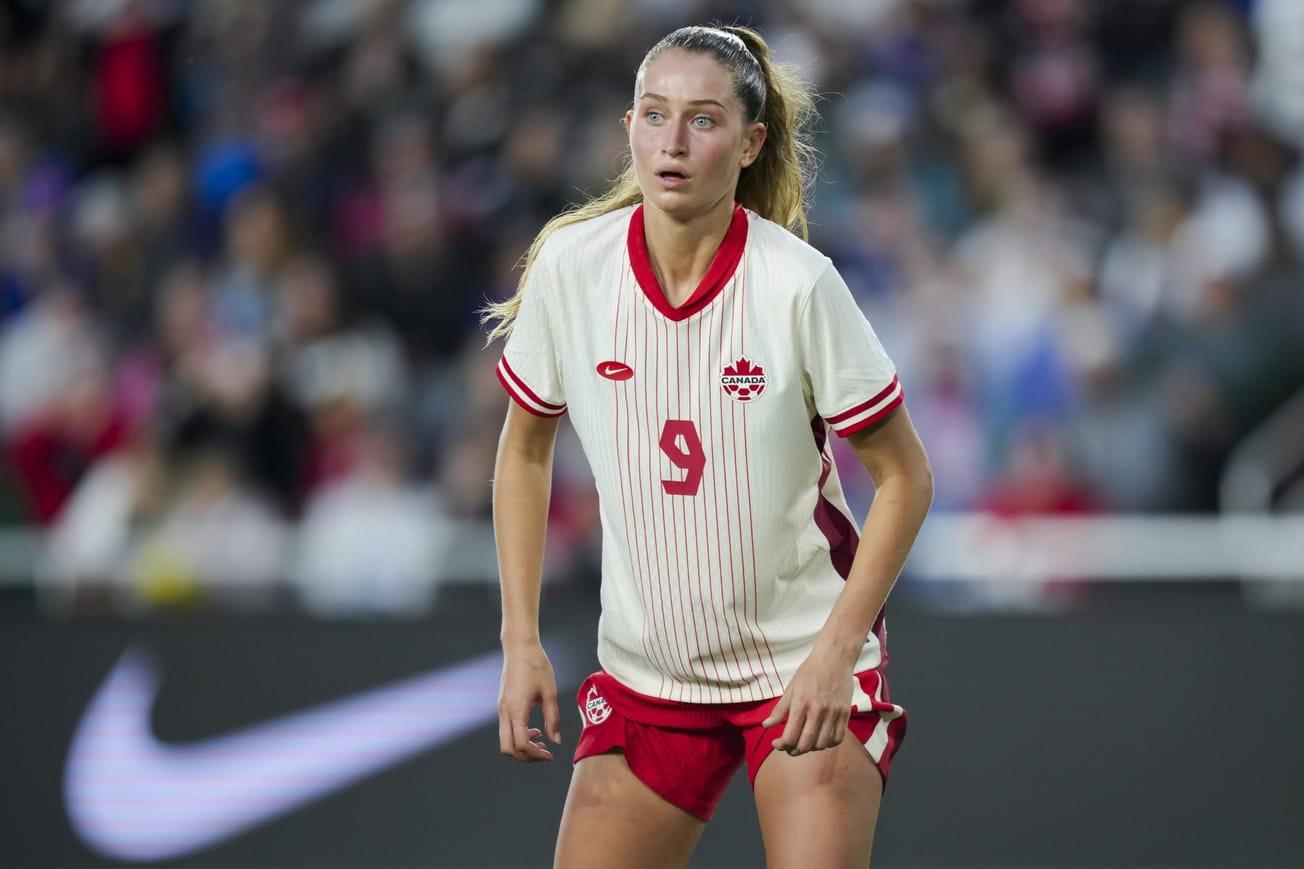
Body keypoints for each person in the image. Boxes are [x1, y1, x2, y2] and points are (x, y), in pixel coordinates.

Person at [483, 24, 933, 868]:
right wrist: (521, 640)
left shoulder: (798, 283)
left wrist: (838, 654)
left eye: (702, 119)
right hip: (645, 674)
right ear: (628, 127)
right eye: (654, 115)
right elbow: (524, 450)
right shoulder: (570, 269)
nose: (673, 142)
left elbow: (906, 478)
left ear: (751, 140)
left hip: (800, 665)